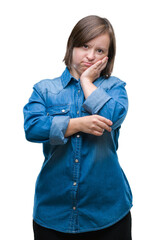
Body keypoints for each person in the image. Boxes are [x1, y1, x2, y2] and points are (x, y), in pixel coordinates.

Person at [23, 15, 133, 240]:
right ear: (72, 45)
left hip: (108, 212)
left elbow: (113, 116)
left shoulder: (115, 88)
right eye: (85, 46)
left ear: (108, 57)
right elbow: (33, 128)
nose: (91, 56)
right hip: (54, 212)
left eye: (100, 51)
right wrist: (76, 124)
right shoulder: (45, 90)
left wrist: (86, 82)